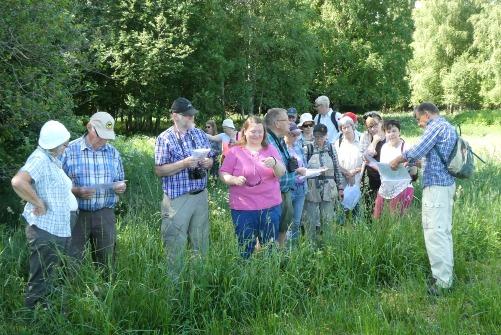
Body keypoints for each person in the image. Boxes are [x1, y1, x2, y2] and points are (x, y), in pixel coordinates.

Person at [390, 102, 457, 295]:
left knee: (434, 233)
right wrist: (418, 162)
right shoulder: (448, 126)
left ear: (427, 115)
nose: (420, 124)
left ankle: (442, 283)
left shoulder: (435, 126)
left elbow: (417, 149)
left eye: (419, 120)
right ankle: (445, 275)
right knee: (443, 231)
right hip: (445, 185)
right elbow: (433, 156)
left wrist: (398, 159)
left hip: (436, 188)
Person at [11, 120, 77, 309]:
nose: (66, 147)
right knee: (41, 278)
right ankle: (32, 318)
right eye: (64, 144)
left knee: (52, 275)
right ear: (54, 144)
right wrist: (37, 202)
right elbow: (18, 181)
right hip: (45, 229)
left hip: (57, 227)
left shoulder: (51, 159)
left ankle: (47, 313)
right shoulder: (40, 159)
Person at [154, 97, 215, 278]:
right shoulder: (165, 138)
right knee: (174, 242)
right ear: (175, 116)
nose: (191, 118)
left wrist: (207, 162)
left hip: (200, 196)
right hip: (177, 199)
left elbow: (212, 160)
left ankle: (199, 280)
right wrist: (184, 164)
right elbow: (159, 170)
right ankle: (173, 287)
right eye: (187, 115)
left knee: (201, 241)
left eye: (192, 115)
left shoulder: (199, 134)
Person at [61, 112, 126, 271]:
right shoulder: (69, 150)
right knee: (71, 260)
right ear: (90, 127)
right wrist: (76, 191)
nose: (104, 140)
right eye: (101, 135)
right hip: (76, 214)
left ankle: (104, 293)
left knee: (107, 262)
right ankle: (72, 293)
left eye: (107, 136)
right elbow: (56, 186)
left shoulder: (113, 153)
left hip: (105, 214)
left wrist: (120, 188)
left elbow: (121, 180)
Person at [219, 116, 286, 258]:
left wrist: (275, 163)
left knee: (269, 247)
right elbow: (223, 173)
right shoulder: (235, 151)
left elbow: (281, 173)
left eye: (260, 131)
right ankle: (246, 275)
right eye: (253, 131)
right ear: (244, 132)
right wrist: (233, 179)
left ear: (264, 133)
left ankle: (268, 275)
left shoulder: (271, 149)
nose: (257, 135)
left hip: (270, 206)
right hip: (243, 208)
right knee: (245, 247)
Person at [264, 108, 301, 246]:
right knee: (268, 231)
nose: (291, 123)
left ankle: (278, 260)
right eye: (286, 120)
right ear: (277, 123)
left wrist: (295, 171)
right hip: (272, 194)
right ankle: (266, 261)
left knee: (283, 228)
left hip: (285, 191)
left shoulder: (279, 139)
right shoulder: (265, 140)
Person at [303, 124, 344, 242]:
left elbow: (337, 168)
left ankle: (328, 245)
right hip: (312, 188)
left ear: (326, 136)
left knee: (328, 218)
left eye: (321, 136)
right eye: (316, 136)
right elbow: (303, 170)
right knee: (310, 219)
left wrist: (340, 187)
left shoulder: (331, 148)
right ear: (313, 136)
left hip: (329, 188)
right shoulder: (308, 149)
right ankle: (310, 245)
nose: (319, 139)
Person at [373, 120, 416, 219]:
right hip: (386, 186)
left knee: (395, 218)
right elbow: (383, 168)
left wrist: (408, 165)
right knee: (377, 216)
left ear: (399, 132)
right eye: (388, 132)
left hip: (403, 186)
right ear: (385, 134)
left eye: (394, 131)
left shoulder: (406, 147)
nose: (391, 134)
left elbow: (413, 171)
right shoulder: (384, 147)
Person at [334, 116, 363, 217]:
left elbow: (367, 161)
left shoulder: (362, 139)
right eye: (343, 128)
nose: (346, 130)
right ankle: (342, 229)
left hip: (359, 179)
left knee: (357, 208)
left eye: (348, 127)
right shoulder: (338, 143)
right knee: (342, 208)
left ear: (353, 126)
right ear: (341, 130)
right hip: (343, 180)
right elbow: (335, 162)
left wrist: (353, 172)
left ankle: (357, 228)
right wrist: (347, 173)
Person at [284, 123, 307, 243]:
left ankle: (294, 245)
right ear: (287, 134)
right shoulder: (281, 149)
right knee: (286, 220)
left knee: (297, 220)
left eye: (298, 134)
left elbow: (304, 164)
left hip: (301, 187)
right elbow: (282, 169)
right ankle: (285, 247)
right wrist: (297, 171)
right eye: (294, 134)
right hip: (289, 188)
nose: (297, 137)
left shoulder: (298, 147)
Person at [359, 112, 386, 216]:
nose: (373, 129)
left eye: (375, 125)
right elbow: (364, 157)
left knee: (385, 208)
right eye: (370, 127)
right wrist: (374, 142)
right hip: (370, 177)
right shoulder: (365, 136)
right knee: (370, 206)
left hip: (387, 176)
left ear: (381, 122)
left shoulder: (389, 134)